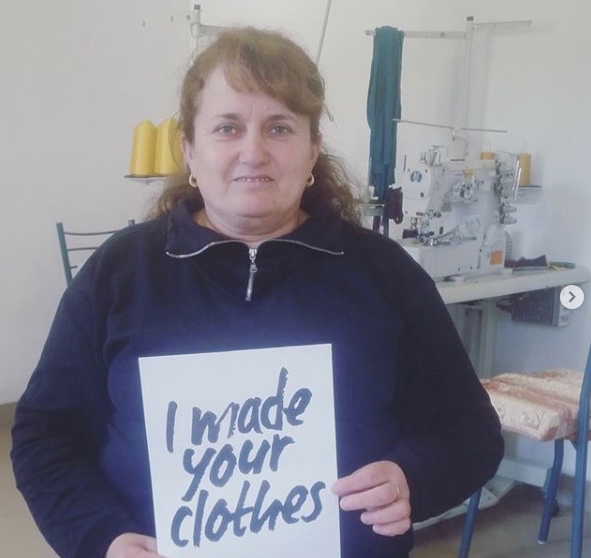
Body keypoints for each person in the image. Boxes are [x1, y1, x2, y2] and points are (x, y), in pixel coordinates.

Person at [11, 27, 503, 558]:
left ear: (313, 150)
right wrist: (99, 538)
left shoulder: (386, 274)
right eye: (227, 128)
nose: (254, 152)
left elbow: (472, 430)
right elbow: (45, 434)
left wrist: (413, 479)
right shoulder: (118, 273)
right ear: (190, 151)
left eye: (279, 128)